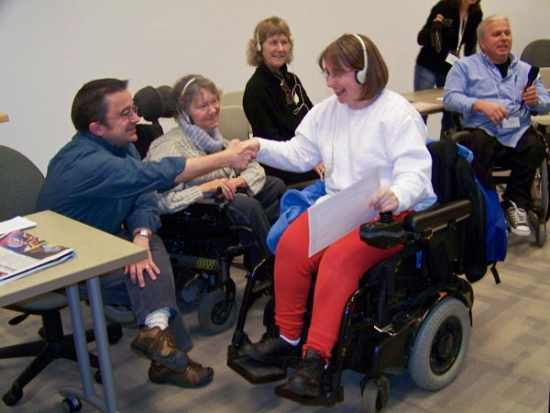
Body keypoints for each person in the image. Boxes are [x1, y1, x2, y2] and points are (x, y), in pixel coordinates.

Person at [238, 33, 437, 397]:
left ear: (364, 72)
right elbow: (300, 153)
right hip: (343, 207)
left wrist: (397, 193)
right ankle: (286, 336)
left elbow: (416, 173)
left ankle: (316, 359)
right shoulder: (328, 112)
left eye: (337, 74)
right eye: (326, 74)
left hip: (387, 213)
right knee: (292, 245)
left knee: (338, 260)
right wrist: (257, 147)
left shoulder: (397, 113)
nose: (329, 83)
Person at [36, 78, 254, 389]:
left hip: (103, 244)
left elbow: (145, 197)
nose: (135, 118)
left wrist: (139, 235)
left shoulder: (121, 148)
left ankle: (156, 334)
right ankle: (163, 348)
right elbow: (156, 175)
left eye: (134, 109)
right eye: (125, 113)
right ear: (96, 128)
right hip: (66, 262)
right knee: (153, 274)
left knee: (150, 249)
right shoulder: (86, 162)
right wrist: (225, 158)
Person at [145, 74, 286, 271]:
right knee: (246, 205)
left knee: (275, 187)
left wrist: (237, 183)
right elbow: (159, 201)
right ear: (184, 114)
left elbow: (255, 168)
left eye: (214, 101)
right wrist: (204, 188)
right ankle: (272, 271)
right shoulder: (170, 146)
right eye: (203, 106)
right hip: (191, 212)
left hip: (220, 201)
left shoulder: (215, 139)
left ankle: (266, 256)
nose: (213, 110)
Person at [443, 14, 550, 236]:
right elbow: (450, 99)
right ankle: (487, 206)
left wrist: (536, 101)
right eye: (496, 34)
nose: (503, 38)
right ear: (482, 42)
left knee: (536, 145)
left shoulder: (527, 71)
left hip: (517, 133)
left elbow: (545, 103)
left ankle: (515, 204)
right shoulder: (464, 67)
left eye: (507, 33)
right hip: (482, 132)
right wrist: (479, 104)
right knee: (477, 142)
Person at [243, 16, 322, 186]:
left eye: (284, 42)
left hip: (304, 155)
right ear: (258, 47)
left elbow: (312, 118)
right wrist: (311, 161)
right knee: (332, 179)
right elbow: (271, 141)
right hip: (282, 164)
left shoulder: (292, 80)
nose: (280, 48)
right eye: (273, 42)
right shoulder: (256, 89)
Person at [415, 0, 483, 136]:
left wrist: (476, 69)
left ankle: (447, 149)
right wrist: (434, 28)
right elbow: (421, 39)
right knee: (421, 111)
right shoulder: (444, 7)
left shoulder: (476, 14)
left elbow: (470, 45)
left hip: (450, 68)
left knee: (452, 112)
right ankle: (417, 146)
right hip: (428, 66)